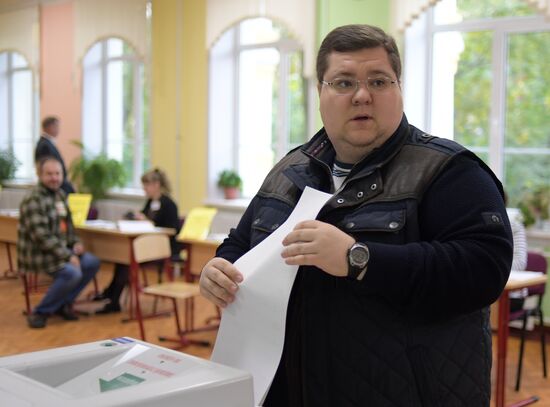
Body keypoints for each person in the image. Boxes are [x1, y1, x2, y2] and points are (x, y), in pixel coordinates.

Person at [199, 24, 513, 406]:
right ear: (321, 93)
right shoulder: (289, 170)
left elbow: (483, 270)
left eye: (379, 82)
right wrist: (220, 267)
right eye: (344, 83)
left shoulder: (450, 171)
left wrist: (357, 258)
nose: (362, 95)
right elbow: (242, 242)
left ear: (399, 88)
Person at [18, 156, 100, 329]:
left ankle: (63, 303)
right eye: (49, 174)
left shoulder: (60, 195)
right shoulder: (33, 199)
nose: (54, 178)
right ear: (40, 175)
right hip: (39, 254)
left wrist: (76, 243)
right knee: (72, 273)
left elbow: (69, 228)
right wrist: (68, 255)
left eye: (58, 173)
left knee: (91, 262)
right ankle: (41, 312)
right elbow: (42, 237)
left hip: (60, 251)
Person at [95, 168, 180, 314]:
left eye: (146, 185)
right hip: (146, 243)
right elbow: (146, 217)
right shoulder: (150, 201)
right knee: (122, 256)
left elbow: (171, 230)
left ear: (156, 185)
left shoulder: (169, 204)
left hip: (162, 248)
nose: (144, 189)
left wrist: (147, 221)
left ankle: (113, 298)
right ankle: (111, 294)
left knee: (128, 258)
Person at [35, 116, 75, 194]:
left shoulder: (48, 143)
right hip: (54, 186)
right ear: (50, 127)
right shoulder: (45, 145)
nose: (58, 130)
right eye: (57, 126)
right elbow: (47, 168)